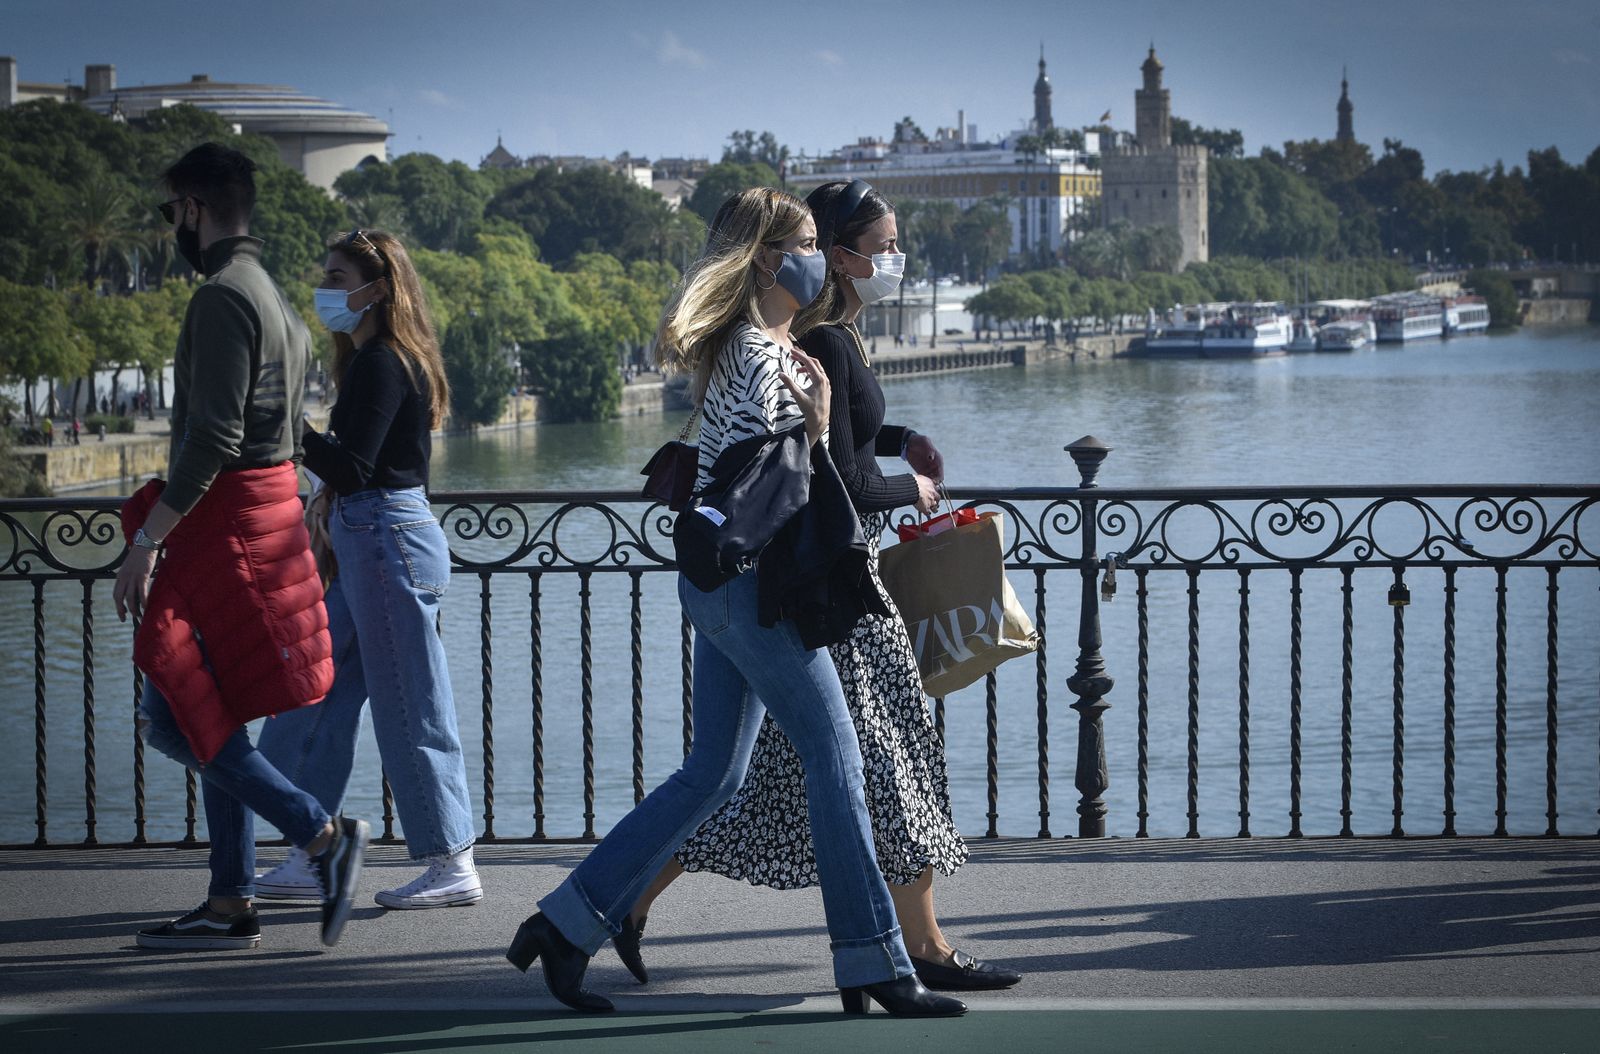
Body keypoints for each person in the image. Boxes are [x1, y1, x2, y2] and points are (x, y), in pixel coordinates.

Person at [506, 188, 964, 1018]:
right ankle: (873, 960)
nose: (818, 257)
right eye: (809, 243)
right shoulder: (757, 356)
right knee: (837, 759)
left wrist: (830, 429)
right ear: (765, 258)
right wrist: (819, 430)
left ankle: (564, 926)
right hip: (757, 588)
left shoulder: (773, 343)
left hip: (724, 586)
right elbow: (778, 490)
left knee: (712, 774)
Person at [618, 180, 1022, 992]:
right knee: (886, 762)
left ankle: (622, 900)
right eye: (883, 249)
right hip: (838, 586)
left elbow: (853, 438)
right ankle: (917, 950)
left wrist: (906, 437)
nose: (896, 262)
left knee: (757, 786)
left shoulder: (832, 340)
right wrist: (917, 492)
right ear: (841, 256)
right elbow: (837, 478)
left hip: (817, 582)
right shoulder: (826, 345)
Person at [114, 142, 366, 951]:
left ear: (192, 208)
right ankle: (229, 899)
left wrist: (146, 542)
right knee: (207, 710)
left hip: (222, 530)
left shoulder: (221, 298)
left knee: (170, 714)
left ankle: (321, 834)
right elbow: (285, 433)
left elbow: (214, 435)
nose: (171, 229)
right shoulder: (279, 303)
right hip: (265, 519)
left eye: (170, 214)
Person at [252, 229, 480, 911]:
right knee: (320, 692)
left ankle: (449, 859)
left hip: (385, 540)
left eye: (336, 276)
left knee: (411, 704)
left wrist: (289, 427)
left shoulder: (383, 362)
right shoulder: (376, 359)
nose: (326, 290)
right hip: (372, 539)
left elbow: (353, 467)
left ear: (377, 287)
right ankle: (311, 848)